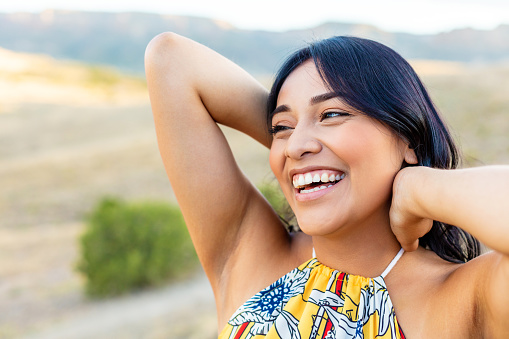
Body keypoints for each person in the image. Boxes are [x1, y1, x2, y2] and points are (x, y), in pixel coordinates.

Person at [145, 33, 509, 338]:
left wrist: (418, 186)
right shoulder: (251, 255)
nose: (297, 143)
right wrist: (307, 155)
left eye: (333, 114)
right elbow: (171, 60)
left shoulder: (466, 298)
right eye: (281, 128)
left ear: (407, 138)